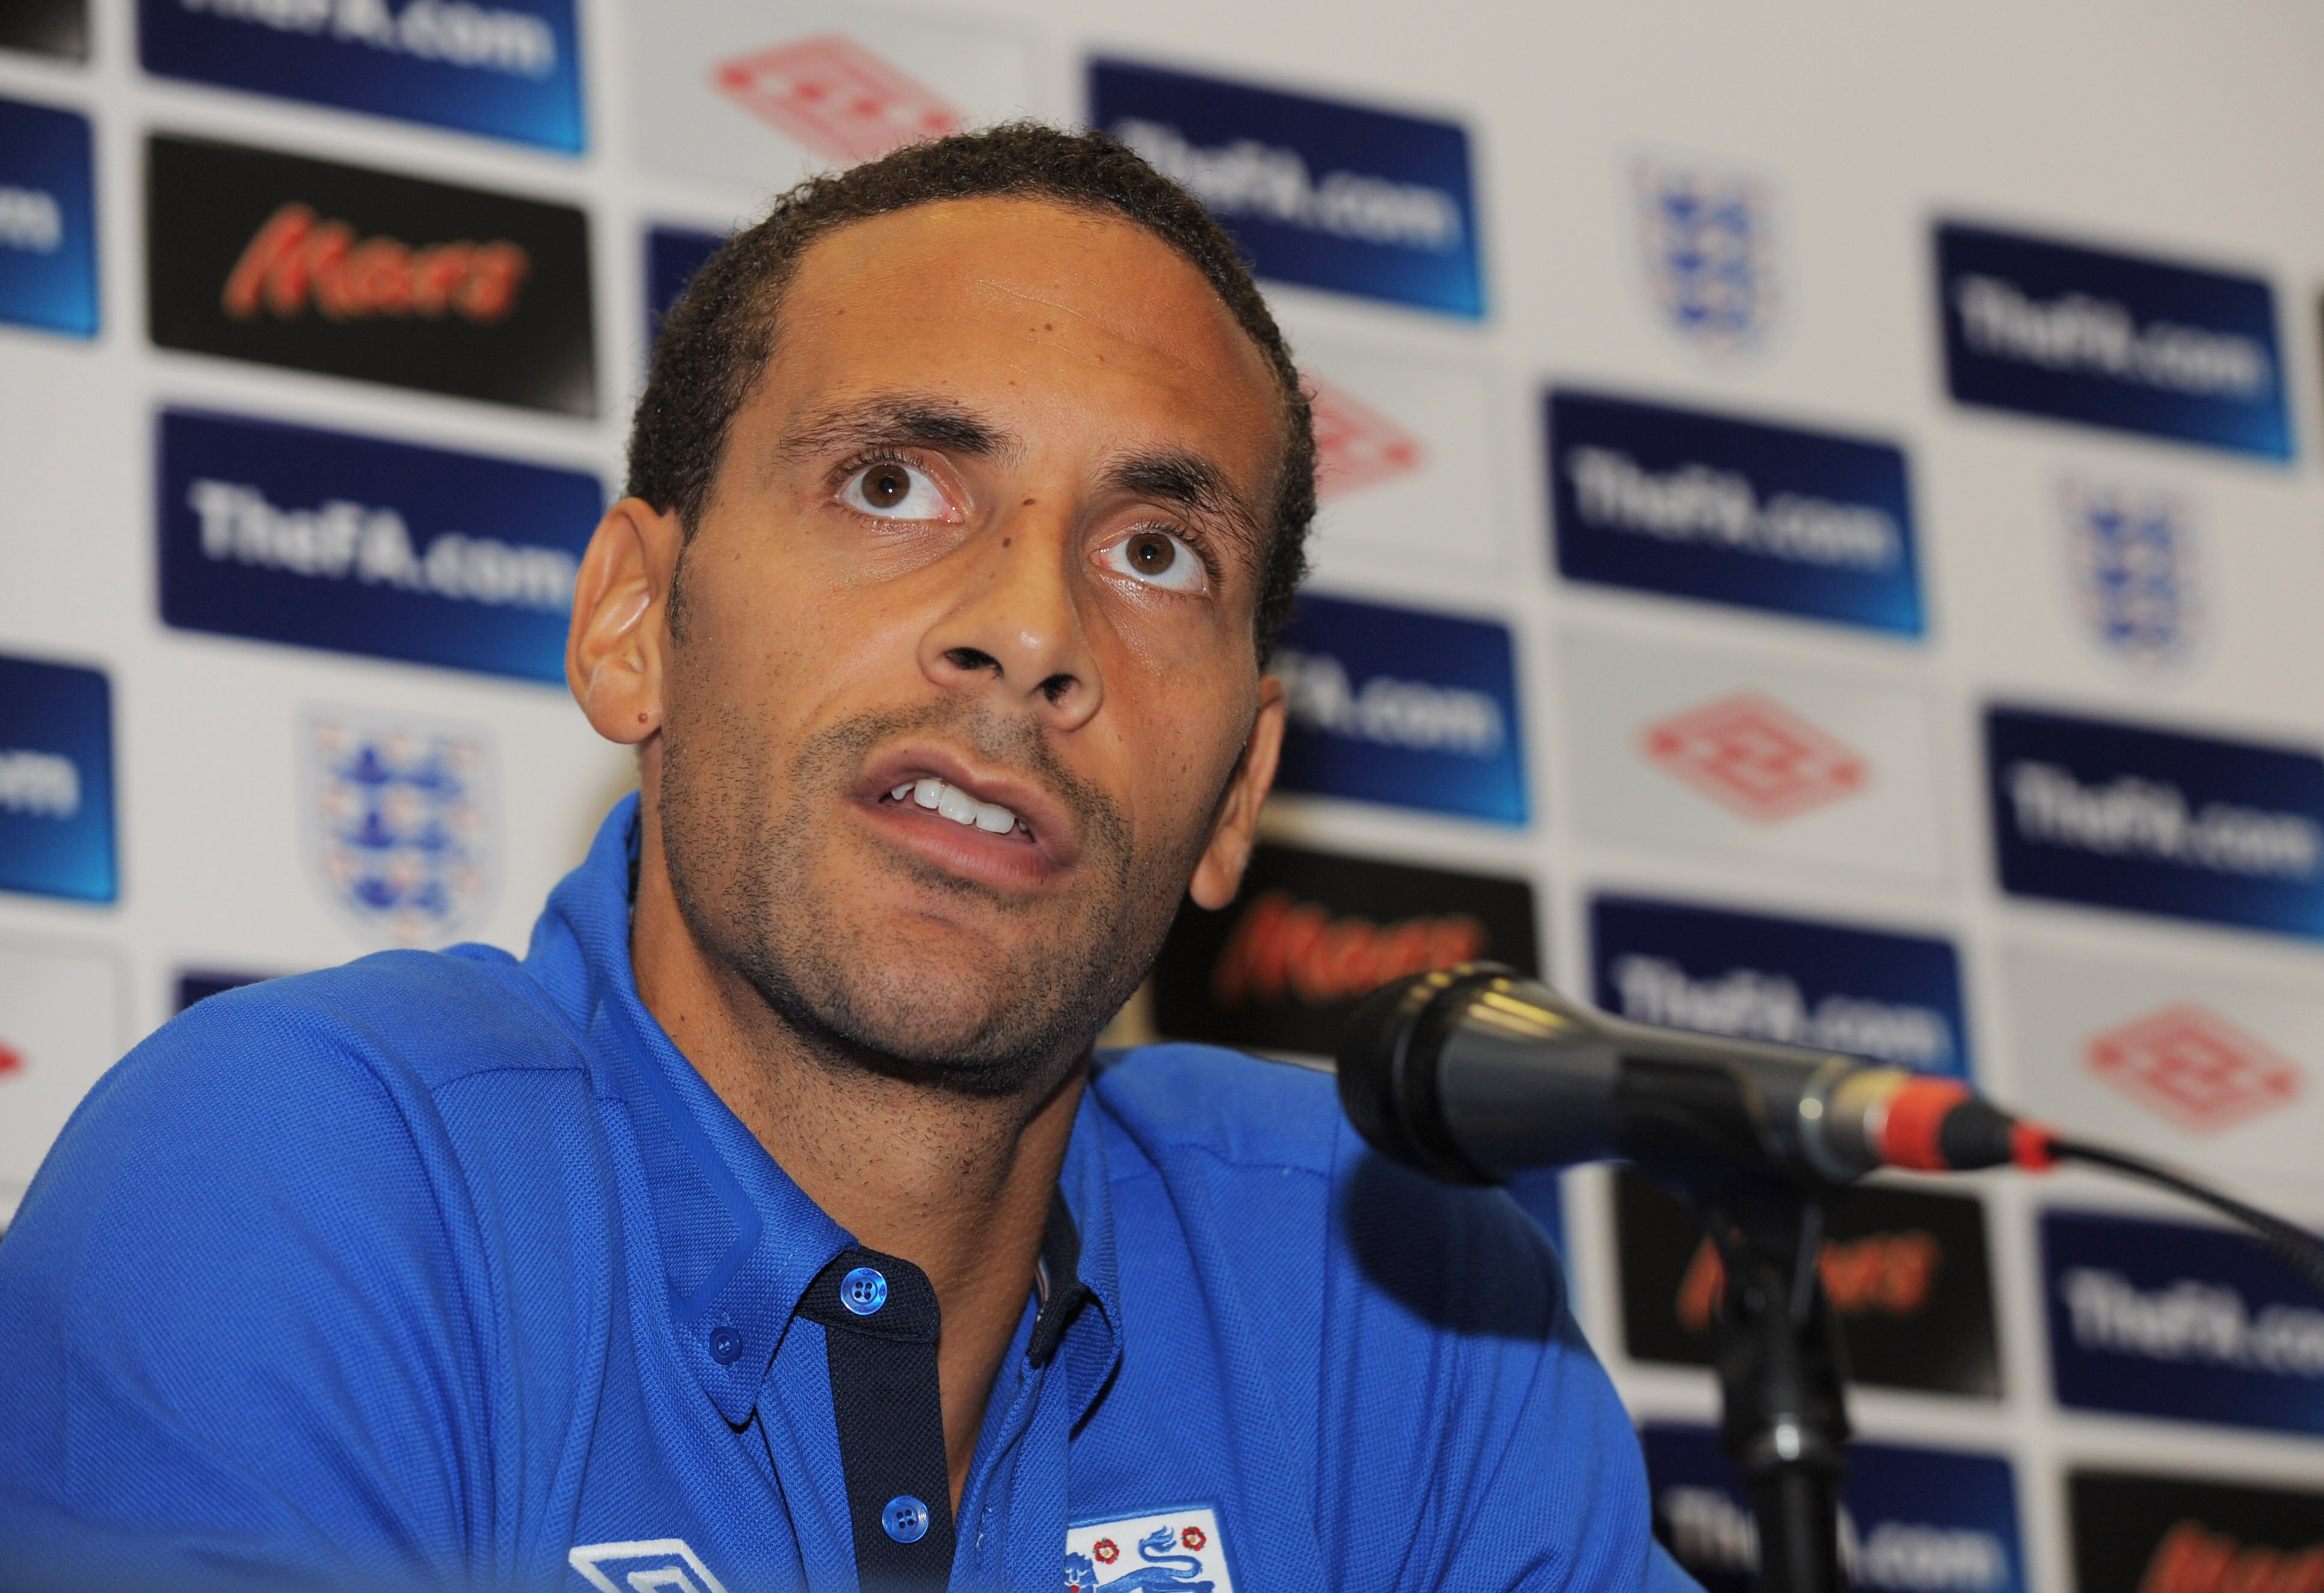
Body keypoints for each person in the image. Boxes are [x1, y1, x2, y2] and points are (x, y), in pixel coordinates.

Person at [0, 125, 1694, 1593]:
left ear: (1240, 791)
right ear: (635, 624)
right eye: (895, 483)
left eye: (1158, 548)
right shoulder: (304, 1172)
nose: (1033, 628)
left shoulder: (1384, 1286)